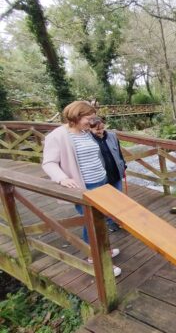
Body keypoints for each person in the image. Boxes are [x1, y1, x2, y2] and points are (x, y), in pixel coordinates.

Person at [42, 101, 121, 276]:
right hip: (85, 187)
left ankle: (104, 250)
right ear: (76, 116)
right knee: (91, 222)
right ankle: (95, 258)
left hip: (102, 181)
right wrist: (62, 179)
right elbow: (48, 163)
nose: (92, 121)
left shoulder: (86, 132)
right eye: (89, 117)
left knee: (102, 219)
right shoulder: (58, 136)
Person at [90, 117, 127, 232]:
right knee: (107, 200)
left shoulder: (112, 136)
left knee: (118, 199)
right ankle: (110, 222)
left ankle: (119, 220)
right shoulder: (88, 140)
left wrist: (123, 166)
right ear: (90, 129)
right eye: (97, 130)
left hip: (116, 172)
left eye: (101, 128)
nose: (100, 131)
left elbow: (119, 153)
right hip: (101, 176)